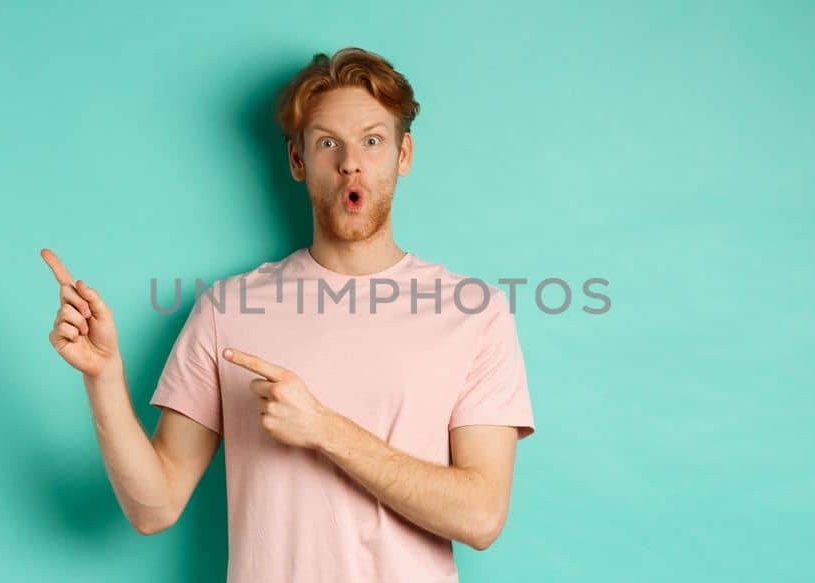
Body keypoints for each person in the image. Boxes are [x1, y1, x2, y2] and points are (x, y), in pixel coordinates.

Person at [38, 47, 535, 583]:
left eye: (372, 140)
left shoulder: (474, 312)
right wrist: (104, 378)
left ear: (403, 155)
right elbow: (153, 508)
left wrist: (325, 429)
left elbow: (482, 517)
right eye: (328, 143)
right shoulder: (227, 309)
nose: (351, 162)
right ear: (298, 161)